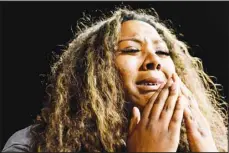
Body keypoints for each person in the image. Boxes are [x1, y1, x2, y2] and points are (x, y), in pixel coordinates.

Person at [2, 8, 228, 152]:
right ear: (93, 70)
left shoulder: (203, 145)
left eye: (162, 52)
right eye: (131, 50)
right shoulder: (32, 144)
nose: (154, 61)